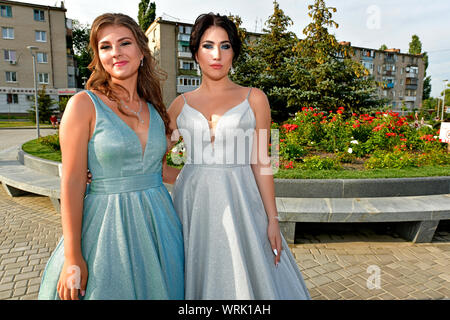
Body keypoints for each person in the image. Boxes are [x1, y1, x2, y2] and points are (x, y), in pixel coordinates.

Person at [38, 13, 184, 300]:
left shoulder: (156, 110)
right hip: (106, 230)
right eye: (105, 46)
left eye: (124, 43)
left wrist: (220, 178)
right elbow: (71, 184)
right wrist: (72, 257)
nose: (115, 52)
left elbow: (163, 171)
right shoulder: (84, 105)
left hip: (160, 228)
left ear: (142, 51)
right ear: (98, 56)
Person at [165, 13, 311, 299]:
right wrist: (188, 175)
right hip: (193, 205)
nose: (216, 54)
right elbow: (152, 159)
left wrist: (272, 219)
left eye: (225, 45)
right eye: (208, 46)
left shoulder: (255, 98)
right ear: (196, 52)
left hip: (242, 202)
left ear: (234, 53)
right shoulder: (179, 105)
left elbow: (262, 161)